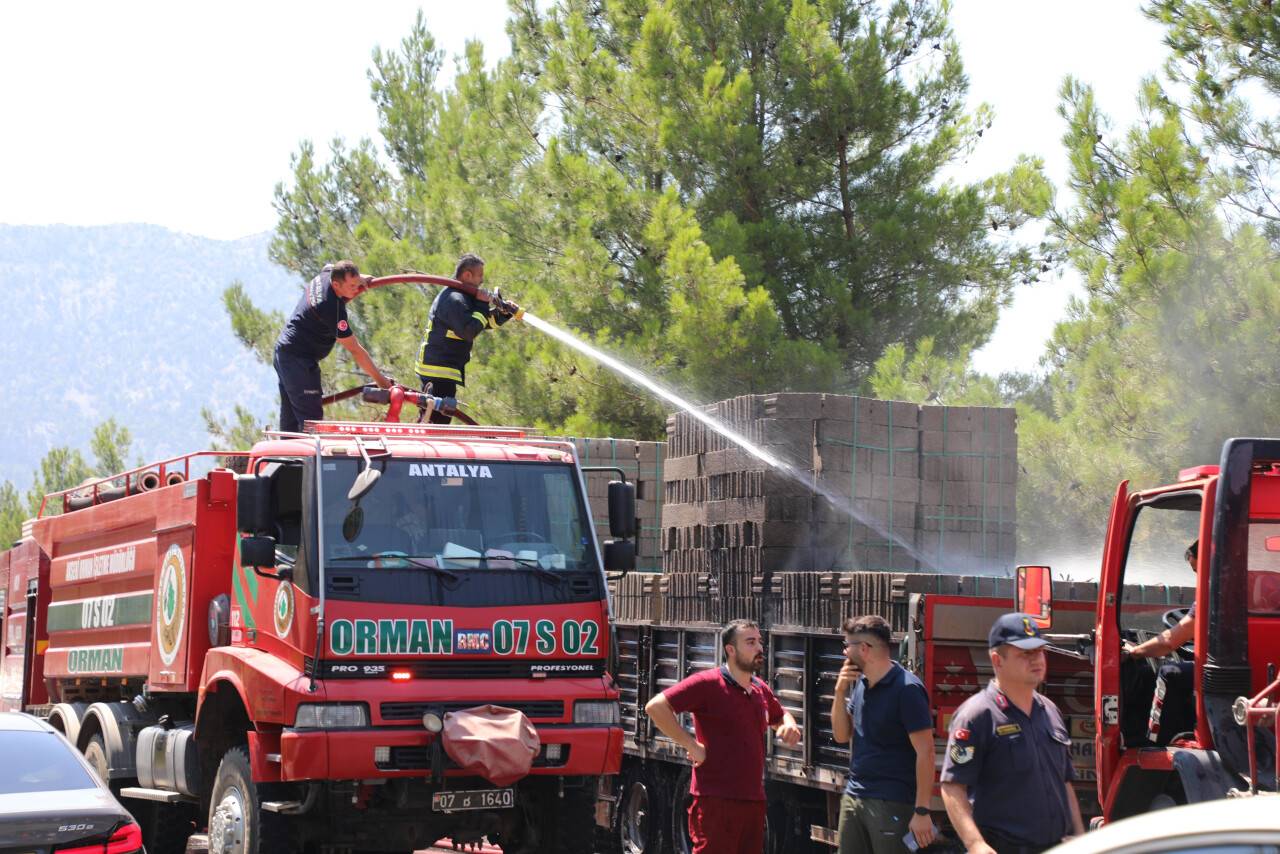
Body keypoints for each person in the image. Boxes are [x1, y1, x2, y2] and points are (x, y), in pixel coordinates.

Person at [644, 619, 802, 853]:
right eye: (750, 642)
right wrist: (691, 745)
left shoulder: (760, 689)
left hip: (754, 801)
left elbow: (780, 715)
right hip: (716, 802)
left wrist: (789, 725)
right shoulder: (708, 683)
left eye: (760, 642)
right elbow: (656, 707)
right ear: (731, 649)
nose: (760, 648)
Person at [940, 613, 1083, 854]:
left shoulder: (1050, 710)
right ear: (998, 660)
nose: (1036, 659)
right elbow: (953, 786)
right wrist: (975, 844)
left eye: (1039, 651)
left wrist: (1080, 838)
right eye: (1025, 653)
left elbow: (1064, 781)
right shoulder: (977, 715)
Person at [832, 615, 937, 853]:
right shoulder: (861, 683)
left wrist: (922, 811)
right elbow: (841, 736)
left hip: (892, 803)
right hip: (854, 796)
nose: (845, 652)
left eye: (847, 646)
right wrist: (839, 692)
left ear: (864, 649)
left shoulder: (907, 689)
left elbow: (926, 752)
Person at [274, 260, 391, 433]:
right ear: (336, 284)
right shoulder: (331, 307)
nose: (356, 288)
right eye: (352, 285)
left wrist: (360, 278)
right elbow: (355, 350)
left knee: (291, 420)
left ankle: (287, 449)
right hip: (298, 362)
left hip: (284, 352)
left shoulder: (327, 274)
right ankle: (308, 450)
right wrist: (382, 382)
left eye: (357, 283)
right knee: (311, 421)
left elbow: (329, 265)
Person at [414, 253, 519, 423]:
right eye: (480, 276)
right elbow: (469, 331)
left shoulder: (462, 297)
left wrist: (503, 314)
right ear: (467, 275)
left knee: (436, 418)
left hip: (442, 367)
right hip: (438, 370)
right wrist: (482, 304)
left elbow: (480, 323)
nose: (482, 281)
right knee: (437, 421)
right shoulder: (454, 299)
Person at [1124, 540, 1198, 744]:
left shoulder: (1212, 595)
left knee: (1168, 673)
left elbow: (1169, 642)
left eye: (1198, 570)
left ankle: (1157, 741)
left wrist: (1135, 651)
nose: (1198, 577)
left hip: (1219, 676)